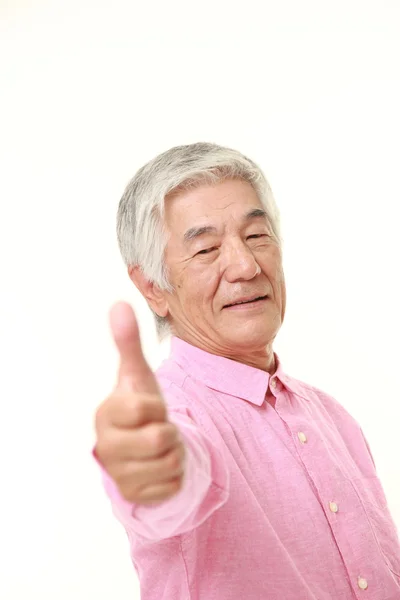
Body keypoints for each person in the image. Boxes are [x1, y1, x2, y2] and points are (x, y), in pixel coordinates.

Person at [94, 142, 400, 600]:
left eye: (257, 236)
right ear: (153, 287)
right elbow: (170, 480)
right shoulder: (174, 416)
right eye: (206, 249)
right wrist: (150, 470)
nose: (245, 265)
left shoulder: (331, 415)